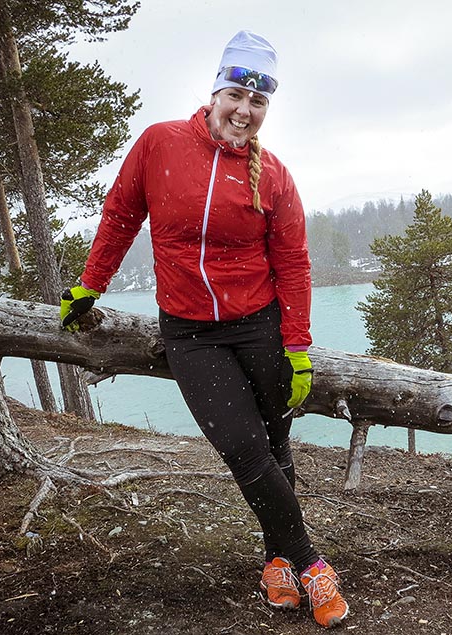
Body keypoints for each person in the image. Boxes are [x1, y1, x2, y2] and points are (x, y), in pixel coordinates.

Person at [59, 30, 349, 629]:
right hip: (191, 335)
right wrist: (92, 282)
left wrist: (297, 347)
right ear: (215, 92)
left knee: (275, 447)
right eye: (236, 94)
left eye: (258, 101)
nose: (244, 110)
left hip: (260, 327)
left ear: (267, 109)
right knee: (245, 451)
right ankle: (310, 562)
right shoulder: (160, 144)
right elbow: (120, 213)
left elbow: (293, 263)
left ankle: (275, 561)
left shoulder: (274, 177)